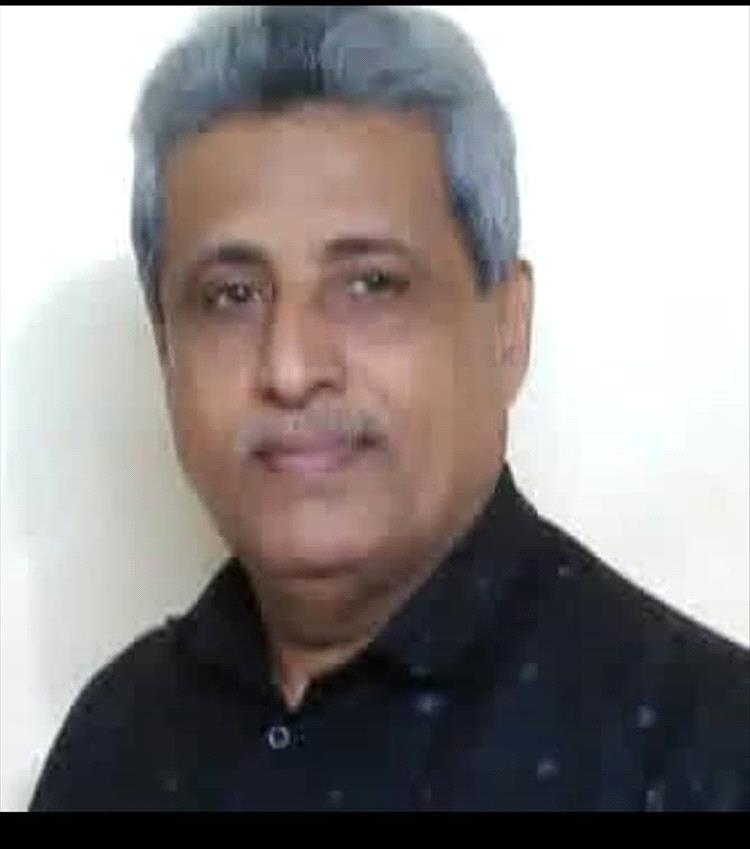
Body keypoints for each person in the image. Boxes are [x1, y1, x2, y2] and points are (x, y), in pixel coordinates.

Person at [29, 5, 749, 811]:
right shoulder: (116, 741)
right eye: (231, 295)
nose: (291, 368)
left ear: (507, 328)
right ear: (166, 347)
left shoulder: (704, 748)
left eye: (371, 284)